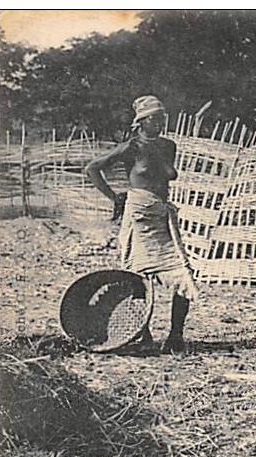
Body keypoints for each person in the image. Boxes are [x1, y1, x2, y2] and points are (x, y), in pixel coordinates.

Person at [85, 95, 197, 354]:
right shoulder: (131, 147)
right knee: (137, 277)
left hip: (162, 215)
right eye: (153, 118)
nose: (159, 122)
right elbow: (93, 168)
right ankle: (141, 334)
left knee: (182, 273)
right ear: (141, 122)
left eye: (161, 117)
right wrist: (115, 197)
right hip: (139, 216)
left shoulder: (169, 146)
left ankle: (175, 336)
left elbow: (165, 175)